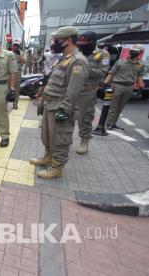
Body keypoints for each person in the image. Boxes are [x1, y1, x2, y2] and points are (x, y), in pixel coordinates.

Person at [29, 26, 89, 179]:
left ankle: (57, 167)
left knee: (59, 139)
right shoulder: (64, 58)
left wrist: (65, 109)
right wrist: (43, 102)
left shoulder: (77, 62)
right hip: (51, 104)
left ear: (68, 40)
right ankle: (48, 157)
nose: (53, 43)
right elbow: (52, 84)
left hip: (61, 106)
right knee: (48, 136)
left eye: (56, 40)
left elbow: (73, 91)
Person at [75, 31, 110, 154]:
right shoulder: (76, 52)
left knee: (85, 117)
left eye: (85, 42)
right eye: (80, 42)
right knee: (66, 115)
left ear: (93, 42)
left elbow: (103, 72)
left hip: (88, 91)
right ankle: (64, 139)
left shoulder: (102, 54)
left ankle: (84, 140)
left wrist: (85, 69)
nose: (82, 44)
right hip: (72, 89)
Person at [103, 44, 146, 130]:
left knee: (120, 107)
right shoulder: (120, 61)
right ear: (130, 51)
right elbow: (111, 73)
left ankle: (113, 123)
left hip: (129, 87)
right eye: (132, 51)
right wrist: (105, 83)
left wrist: (141, 87)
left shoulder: (141, 64)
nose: (133, 52)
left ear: (140, 53)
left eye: (136, 51)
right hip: (117, 85)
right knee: (114, 106)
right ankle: (108, 124)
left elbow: (140, 77)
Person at [12, 39, 26, 109]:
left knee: (16, 89)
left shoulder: (21, 53)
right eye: (14, 45)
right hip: (10, 72)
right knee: (8, 88)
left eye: (16, 45)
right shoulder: (10, 52)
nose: (15, 47)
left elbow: (24, 61)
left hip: (17, 72)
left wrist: (19, 54)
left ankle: (15, 103)